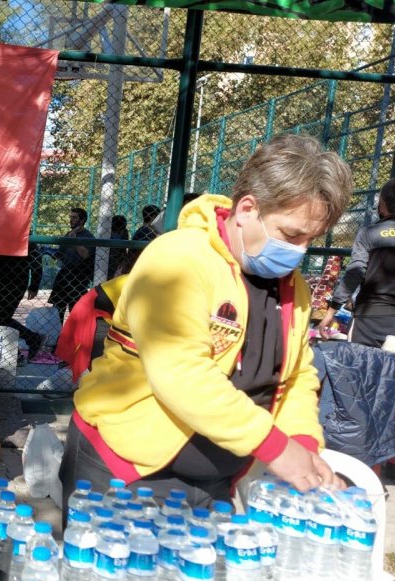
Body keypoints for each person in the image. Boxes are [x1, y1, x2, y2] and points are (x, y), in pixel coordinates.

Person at [60, 134, 353, 513]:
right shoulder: (179, 260)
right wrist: (276, 447)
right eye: (290, 234)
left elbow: (296, 375)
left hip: (216, 479)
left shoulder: (291, 287)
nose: (299, 251)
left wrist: (304, 444)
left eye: (310, 239)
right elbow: (182, 373)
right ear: (247, 209)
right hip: (127, 473)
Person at [318, 176, 395, 348]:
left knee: (361, 368)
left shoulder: (369, 233)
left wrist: (332, 311)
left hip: (369, 319)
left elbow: (355, 272)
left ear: (382, 203)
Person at [0, 243, 45, 357]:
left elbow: (36, 264)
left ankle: (28, 342)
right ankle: (29, 341)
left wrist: (34, 285)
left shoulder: (25, 238)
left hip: (15, 283)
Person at [49, 207, 95, 321]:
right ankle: (57, 336)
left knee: (76, 312)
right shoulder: (69, 234)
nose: (71, 220)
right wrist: (51, 252)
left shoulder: (88, 236)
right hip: (64, 275)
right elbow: (61, 253)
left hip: (79, 277)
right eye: (71, 217)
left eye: (74, 217)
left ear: (82, 220)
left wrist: (74, 241)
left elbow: (86, 255)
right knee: (57, 310)